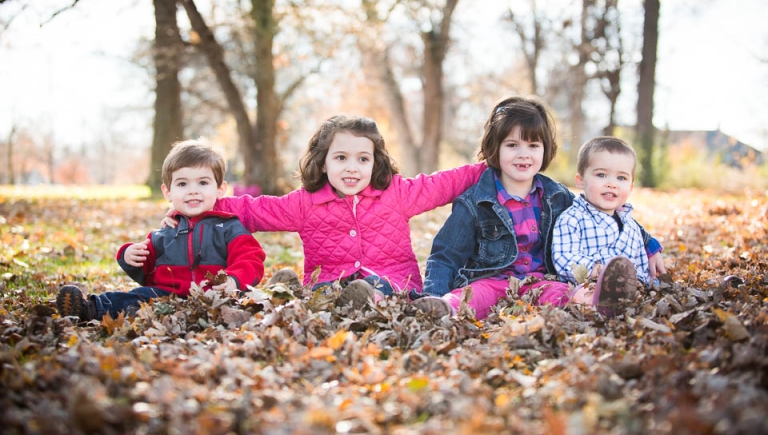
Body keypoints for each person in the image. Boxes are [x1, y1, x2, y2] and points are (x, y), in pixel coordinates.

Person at [165, 115, 486, 310]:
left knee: (380, 290)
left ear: (376, 162)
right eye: (341, 158)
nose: (352, 168)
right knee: (323, 293)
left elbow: (446, 182)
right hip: (330, 286)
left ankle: (361, 300)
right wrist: (200, 204)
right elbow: (255, 211)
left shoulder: (397, 193)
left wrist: (490, 167)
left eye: (363, 159)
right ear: (324, 161)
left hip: (394, 284)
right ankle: (286, 291)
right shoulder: (307, 203)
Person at [412, 96, 664, 320]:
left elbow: (605, 212)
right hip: (490, 280)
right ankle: (442, 308)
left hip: (541, 280)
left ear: (545, 150)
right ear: (495, 148)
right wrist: (433, 292)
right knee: (471, 296)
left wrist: (649, 244)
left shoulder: (556, 195)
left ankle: (601, 303)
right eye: (512, 145)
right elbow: (445, 255)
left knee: (565, 294)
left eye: (533, 146)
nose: (524, 154)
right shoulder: (474, 202)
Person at [56, 139, 266, 322]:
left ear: (220, 189)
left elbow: (251, 260)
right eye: (182, 184)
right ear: (168, 192)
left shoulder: (229, 227)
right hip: (167, 296)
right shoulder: (164, 232)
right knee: (135, 298)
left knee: (242, 305)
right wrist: (128, 255)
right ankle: (89, 309)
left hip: (215, 296)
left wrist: (234, 280)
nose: (193, 190)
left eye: (203, 182)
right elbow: (147, 271)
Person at [552, 136, 665, 303]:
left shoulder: (630, 225)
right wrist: (594, 269)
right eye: (601, 175)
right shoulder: (572, 219)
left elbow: (639, 261)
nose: (612, 184)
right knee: (579, 294)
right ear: (580, 181)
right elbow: (564, 257)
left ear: (631, 187)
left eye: (621, 178)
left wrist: (647, 283)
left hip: (630, 293)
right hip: (590, 288)